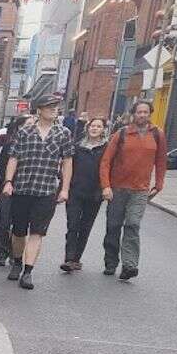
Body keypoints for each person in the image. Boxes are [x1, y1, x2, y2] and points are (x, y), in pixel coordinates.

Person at [2, 93, 74, 291]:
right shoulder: (25, 132)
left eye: (56, 106)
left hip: (46, 190)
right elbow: (13, 158)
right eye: (49, 106)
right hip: (23, 187)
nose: (54, 109)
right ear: (39, 110)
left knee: (37, 232)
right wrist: (9, 181)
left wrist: (65, 189)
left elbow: (67, 162)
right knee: (18, 232)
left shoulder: (64, 133)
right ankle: (17, 261)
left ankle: (28, 271)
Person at [100, 100, 166, 281]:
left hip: (140, 190)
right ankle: (111, 261)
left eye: (146, 112)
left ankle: (130, 265)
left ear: (149, 114)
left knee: (132, 225)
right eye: (139, 112)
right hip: (117, 189)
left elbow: (161, 161)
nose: (142, 115)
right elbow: (106, 161)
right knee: (113, 226)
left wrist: (159, 183)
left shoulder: (157, 135)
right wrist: (106, 185)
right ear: (133, 114)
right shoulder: (121, 134)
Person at [60, 116, 108, 272]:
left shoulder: (106, 149)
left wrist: (105, 188)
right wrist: (64, 188)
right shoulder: (77, 146)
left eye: (98, 126)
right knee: (73, 224)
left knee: (85, 226)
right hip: (75, 191)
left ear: (103, 130)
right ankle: (68, 258)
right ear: (87, 128)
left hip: (94, 194)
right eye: (92, 126)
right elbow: (67, 166)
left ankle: (76, 258)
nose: (95, 129)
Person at [0, 116, 27, 269]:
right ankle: (2, 254)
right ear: (18, 128)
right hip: (6, 187)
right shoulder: (10, 144)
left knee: (18, 224)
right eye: (27, 125)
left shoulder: (35, 145)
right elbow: (0, 166)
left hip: (25, 189)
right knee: (4, 222)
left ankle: (14, 254)